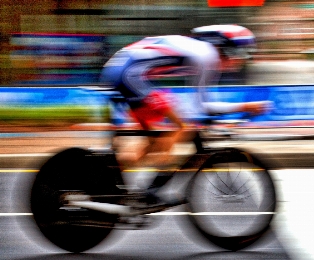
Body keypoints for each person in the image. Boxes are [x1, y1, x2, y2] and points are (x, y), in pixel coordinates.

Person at [100, 25, 269, 206]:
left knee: (154, 143)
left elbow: (200, 107)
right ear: (228, 48)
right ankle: (150, 192)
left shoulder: (199, 50)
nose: (241, 62)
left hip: (121, 72)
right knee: (182, 127)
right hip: (130, 75)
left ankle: (108, 178)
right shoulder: (207, 55)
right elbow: (202, 106)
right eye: (242, 55)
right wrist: (245, 106)